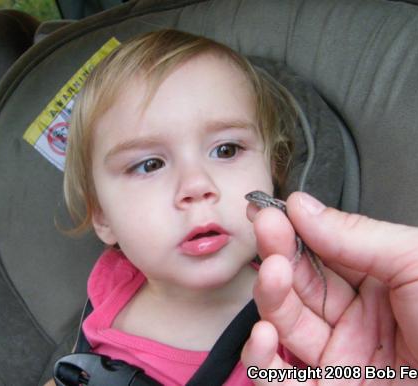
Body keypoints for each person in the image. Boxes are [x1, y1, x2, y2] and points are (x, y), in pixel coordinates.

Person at [59, 29, 297, 385]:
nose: (196, 186)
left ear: (271, 172)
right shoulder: (113, 282)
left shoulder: (295, 322)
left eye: (226, 150)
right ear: (103, 217)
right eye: (150, 165)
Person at [241, 192, 418, 385]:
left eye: (254, 198)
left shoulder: (274, 209)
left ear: (263, 200)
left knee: (303, 263)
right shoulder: (271, 211)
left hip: (305, 239)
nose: (252, 200)